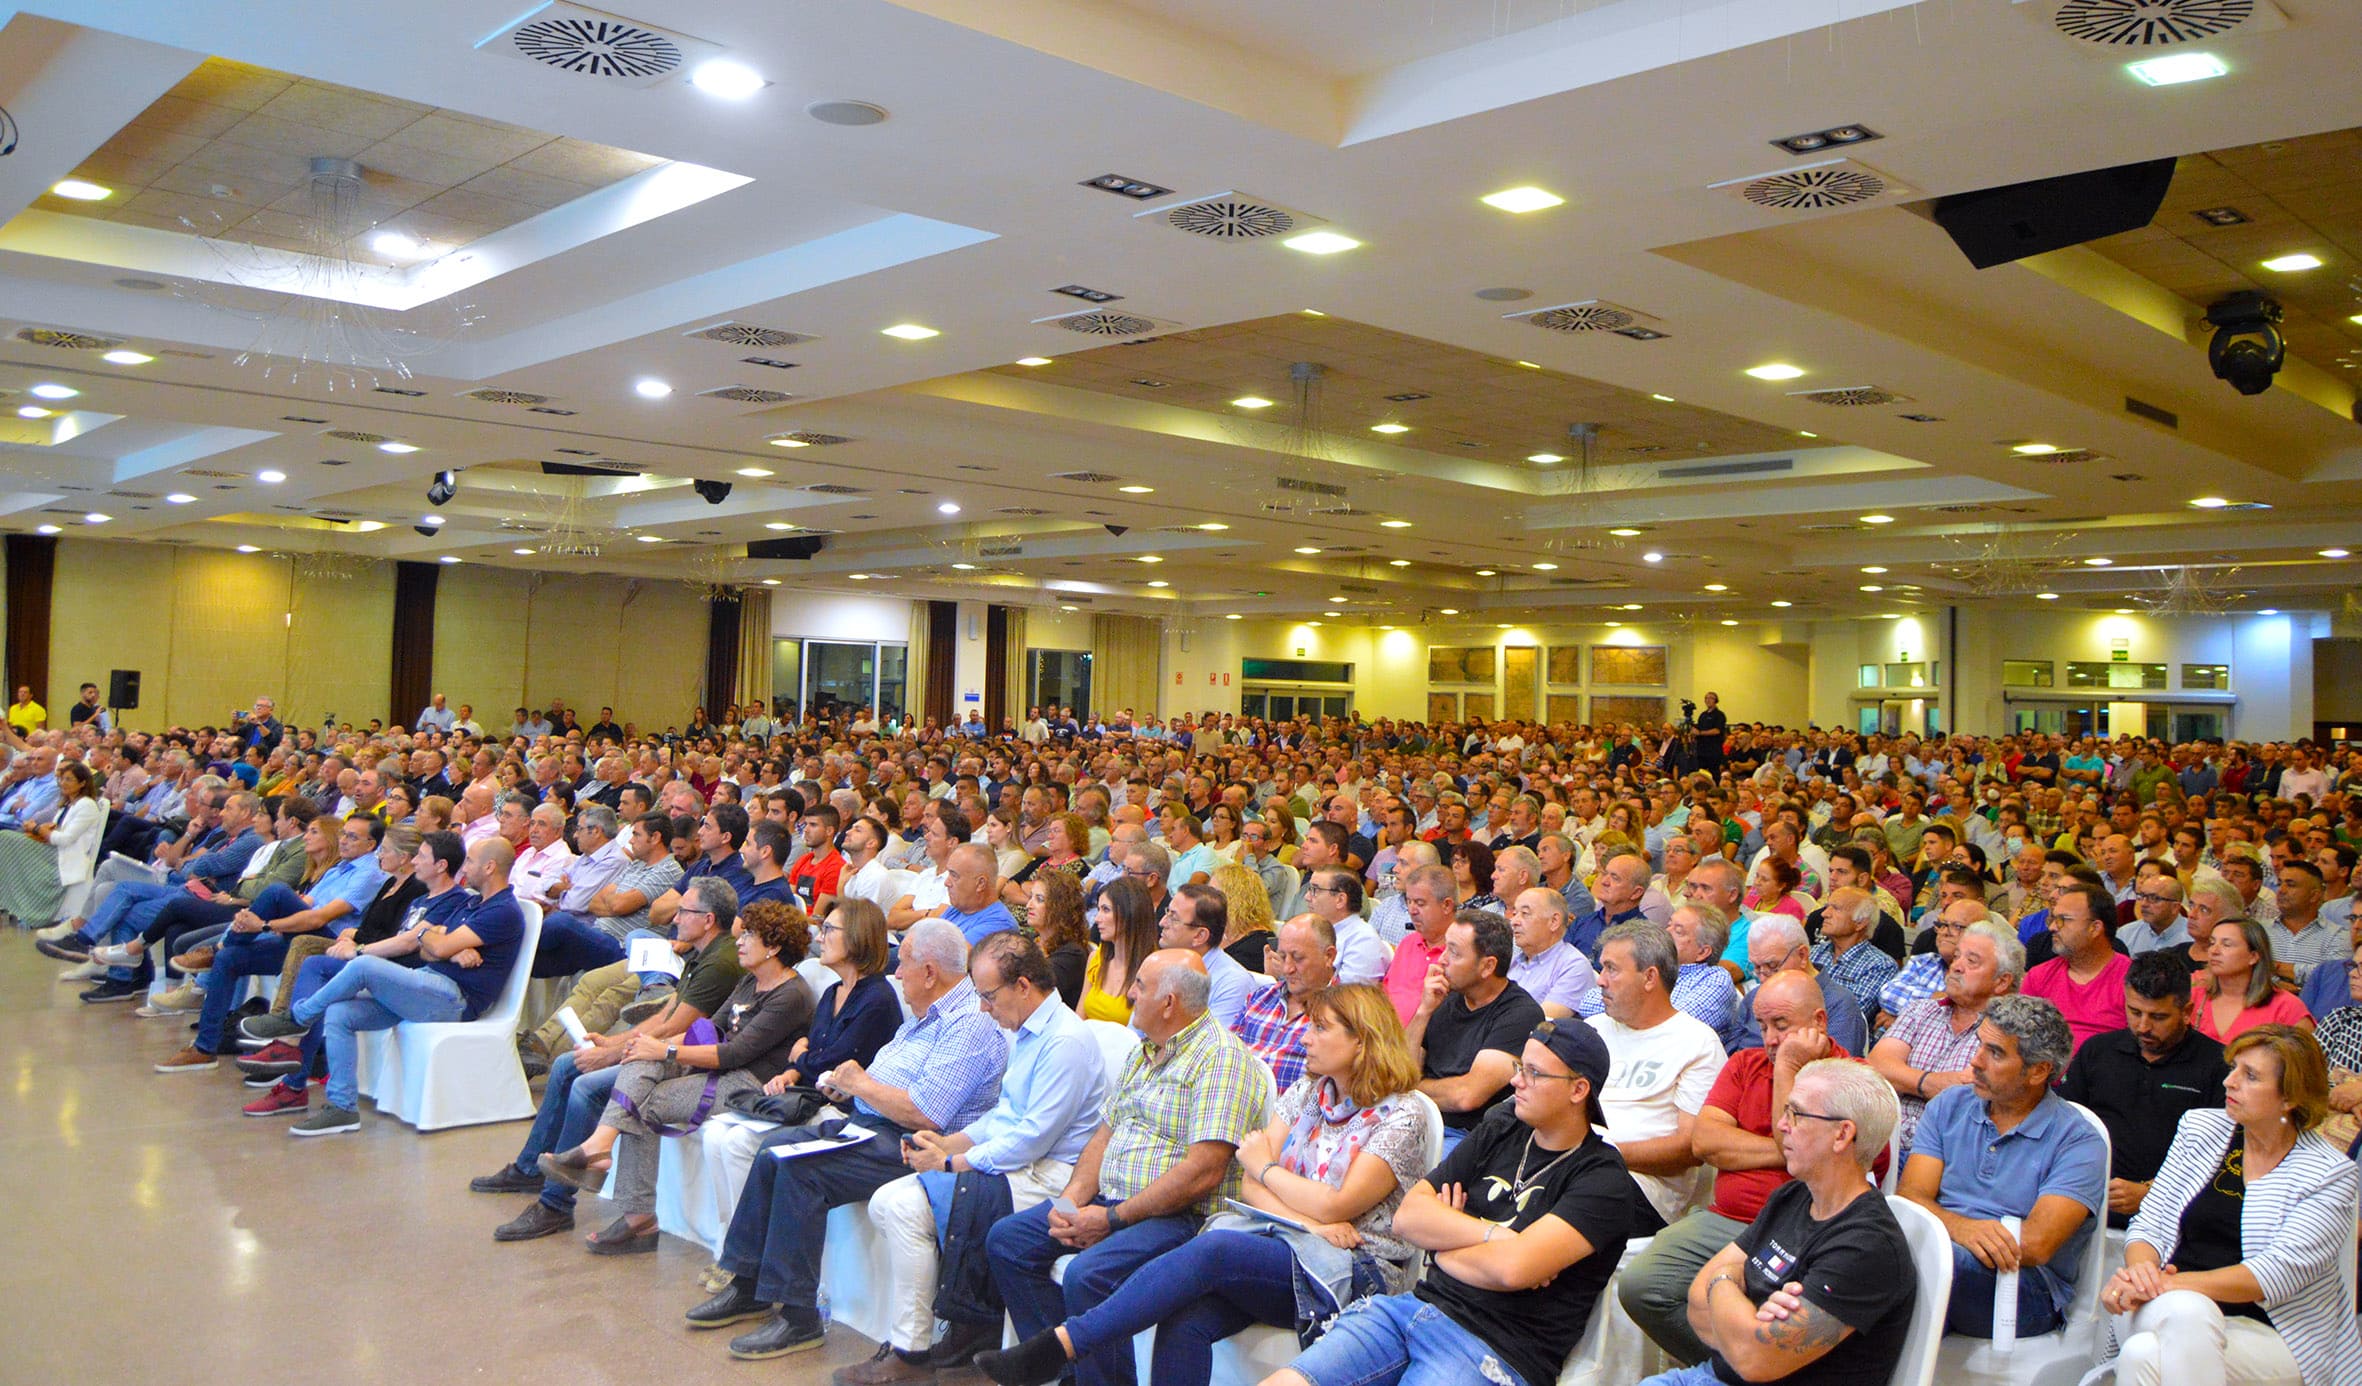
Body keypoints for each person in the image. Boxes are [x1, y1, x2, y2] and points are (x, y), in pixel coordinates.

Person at [980, 983, 1429, 1386]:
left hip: (1355, 1268)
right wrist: (1301, 1217)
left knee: (1214, 1250)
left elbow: (1336, 1204)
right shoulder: (1308, 1093)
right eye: (1308, 1025)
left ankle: (1061, 1345)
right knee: (1185, 1317)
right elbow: (1249, 1188)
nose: (1305, 1038)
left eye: (1321, 1029)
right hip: (1286, 1242)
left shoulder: (1403, 1115)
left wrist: (1267, 1170)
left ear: (1362, 1040)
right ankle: (1060, 1351)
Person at [685, 919, 1008, 1360]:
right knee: (770, 1151)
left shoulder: (968, 1024)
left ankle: (799, 1319)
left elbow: (926, 1113)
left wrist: (862, 1085)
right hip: (869, 1122)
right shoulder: (926, 1015)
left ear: (930, 972)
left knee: (796, 1168)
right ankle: (747, 1285)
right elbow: (887, 1079)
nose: (897, 973)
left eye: (906, 962)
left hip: (914, 1144)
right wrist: (852, 1086)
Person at [1260, 1018, 1632, 1386]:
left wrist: (1442, 1247)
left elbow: (1513, 1270)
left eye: (1534, 1073)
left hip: (1494, 1348)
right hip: (1414, 1308)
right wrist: (1495, 1237)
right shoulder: (1503, 1126)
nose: (1516, 1080)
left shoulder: (1602, 1179)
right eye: (1520, 1066)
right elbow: (1408, 1218)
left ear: (1578, 1089)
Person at [985, 950, 1271, 1386]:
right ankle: (1069, 1375)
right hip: (1110, 1201)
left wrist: (1111, 1219)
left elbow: (1203, 1172)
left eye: (1139, 985)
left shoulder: (1222, 1060)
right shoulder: (1145, 1051)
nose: (1130, 993)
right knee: (1008, 1241)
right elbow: (1104, 1135)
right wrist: (1070, 1202)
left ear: (1170, 1002)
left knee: (1088, 1275)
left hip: (1181, 1218)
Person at [853, 933, 1111, 1384]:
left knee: (899, 1205)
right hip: (1020, 1163)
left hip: (1053, 1176)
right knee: (891, 1201)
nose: (983, 1008)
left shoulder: (1064, 1041)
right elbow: (1002, 1117)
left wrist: (953, 1164)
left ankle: (916, 1350)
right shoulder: (1028, 1031)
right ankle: (951, 1332)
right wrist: (946, 1143)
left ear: (1024, 986)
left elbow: (1031, 1139)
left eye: (988, 996)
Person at [1621, 971, 1871, 1366]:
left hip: (1807, 1230)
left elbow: (1846, 1162)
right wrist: (1788, 1151)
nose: (1770, 1038)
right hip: (1727, 1219)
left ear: (1819, 1023)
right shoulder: (1744, 1064)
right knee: (1642, 1287)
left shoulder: (1854, 1078)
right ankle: (1739, 1368)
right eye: (1762, 1025)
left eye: (1782, 1025)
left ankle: (1758, 1368)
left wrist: (1789, 1068)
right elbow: (1704, 1143)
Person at [537, 899, 816, 1253]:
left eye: (750, 935)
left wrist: (666, 1050)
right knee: (641, 1058)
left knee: (643, 1100)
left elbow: (735, 1053)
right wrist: (649, 1044)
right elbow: (711, 1028)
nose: (740, 941)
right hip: (717, 1065)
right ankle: (601, 1149)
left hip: (748, 1081)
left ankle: (637, 1216)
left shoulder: (791, 994)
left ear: (774, 947)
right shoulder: (750, 981)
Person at [478, 875, 746, 1241]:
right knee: (564, 1065)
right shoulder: (706, 953)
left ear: (709, 919)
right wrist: (612, 1042)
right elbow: (666, 1014)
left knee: (586, 1086)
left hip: (687, 1060)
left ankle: (555, 1204)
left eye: (684, 911)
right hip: (669, 1048)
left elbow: (674, 1028)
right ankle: (530, 1168)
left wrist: (610, 1055)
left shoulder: (721, 962)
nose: (675, 917)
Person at [2098, 1025, 2362, 1386]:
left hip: (2274, 1334)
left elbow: (2275, 1274)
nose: (2229, 1082)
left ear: (2290, 1098)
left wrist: (2164, 1285)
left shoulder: (2329, 1173)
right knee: (2186, 1314)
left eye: (2249, 1076)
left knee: (2143, 1354)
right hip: (2161, 1305)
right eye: (2233, 1067)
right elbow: (2149, 1224)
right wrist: (2144, 1273)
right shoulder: (2200, 1128)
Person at [1632, 1059, 1917, 1386]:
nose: (1781, 1125)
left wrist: (1724, 1282)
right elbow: (1698, 1307)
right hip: (1713, 1375)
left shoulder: (1867, 1246)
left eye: (1796, 1114)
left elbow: (1755, 1360)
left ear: (1842, 1134)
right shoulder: (1793, 1196)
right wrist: (1748, 1315)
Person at [277, 836, 528, 1136]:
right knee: (340, 1014)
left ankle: (297, 1018)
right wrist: (436, 939)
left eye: (471, 861)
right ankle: (342, 1108)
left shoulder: (502, 910)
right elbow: (428, 949)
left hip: (454, 998)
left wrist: (433, 937)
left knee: (363, 964)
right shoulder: (475, 902)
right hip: (429, 987)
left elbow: (437, 943)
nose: (465, 868)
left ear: (489, 866)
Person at [1899, 994, 2106, 1338]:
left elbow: (2036, 1244)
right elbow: (1910, 1198)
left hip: (2024, 1287)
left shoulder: (2079, 1140)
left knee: (1927, 1265)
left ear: (2039, 1071)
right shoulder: (1949, 1105)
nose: (1975, 1061)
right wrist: (1962, 1228)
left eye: (1995, 1053)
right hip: (1943, 1252)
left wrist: (1951, 1236)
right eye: (1980, 1045)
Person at [2058, 949, 2229, 1229]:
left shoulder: (2218, 1066)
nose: (2143, 1026)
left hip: (2177, 1217)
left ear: (2186, 1011)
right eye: (2134, 1012)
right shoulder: (2098, 1052)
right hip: (2088, 1205)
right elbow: (2066, 1125)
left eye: (2158, 1017)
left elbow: (2217, 1154)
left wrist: (2153, 1192)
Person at [1588, 921, 1727, 1234]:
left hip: (1641, 1189)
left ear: (1650, 977)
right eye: (1601, 968)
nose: (1600, 980)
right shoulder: (1593, 1030)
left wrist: (1594, 1154)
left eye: (1611, 969)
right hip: (1570, 1165)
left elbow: (1689, 1148)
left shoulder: (1697, 1043)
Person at [1871, 919, 2022, 1156]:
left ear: (2002, 981)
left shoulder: (2008, 1035)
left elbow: (1972, 1097)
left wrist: (1905, 1078)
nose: (1957, 966)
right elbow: (1877, 1065)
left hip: (1950, 1155)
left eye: (1972, 961)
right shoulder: (1921, 1010)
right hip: (1882, 1141)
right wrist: (1930, 1083)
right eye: (1957, 956)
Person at [1405, 909, 1545, 1148]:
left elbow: (1466, 1096)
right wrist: (1423, 1012)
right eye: (1445, 948)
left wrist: (1409, 1090)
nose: (1442, 960)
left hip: (1466, 1135)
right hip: (1413, 1119)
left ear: (1488, 966)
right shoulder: (1444, 999)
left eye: (1455, 953)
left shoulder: (1520, 1014)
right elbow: (1402, 1069)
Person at [2022, 879, 2132, 1055]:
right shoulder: (2038, 976)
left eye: (2063, 920)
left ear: (2095, 928)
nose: (2052, 928)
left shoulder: (2132, 979)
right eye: (2053, 919)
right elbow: (2021, 1040)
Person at [1232, 914, 1338, 1090]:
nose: (1287, 968)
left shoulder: (1342, 1013)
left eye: (1298, 958)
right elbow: (1225, 1054)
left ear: (1329, 956)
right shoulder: (1260, 998)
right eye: (1282, 956)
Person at [0, 756, 103, 929]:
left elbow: (65, 839)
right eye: (62, 779)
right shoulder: (68, 804)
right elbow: (56, 829)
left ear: (83, 783)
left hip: (63, 854)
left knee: (5, 838)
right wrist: (41, 829)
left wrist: (38, 830)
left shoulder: (86, 805)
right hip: (51, 847)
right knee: (6, 839)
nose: (63, 783)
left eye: (69, 779)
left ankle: (8, 899)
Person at [2194, 916, 2312, 1041]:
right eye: (2212, 943)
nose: (2214, 951)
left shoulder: (2287, 1008)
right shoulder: (2194, 995)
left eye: (2227, 944)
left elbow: (2305, 1057)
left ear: (2254, 956)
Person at [1159, 881, 1256, 1028]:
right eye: (1167, 912)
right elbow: (1137, 1030)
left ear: (1200, 935)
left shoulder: (1233, 983)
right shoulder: (1161, 963)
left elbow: (1212, 1045)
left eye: (1174, 918)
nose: (1162, 922)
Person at [1809, 888, 1900, 1025]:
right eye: (1827, 907)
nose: (1824, 914)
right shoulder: (1813, 952)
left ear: (1860, 923)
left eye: (1836, 908)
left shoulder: (1880, 965)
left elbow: (1847, 1015)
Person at [1506, 884, 1598, 1017]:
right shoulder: (1513, 961)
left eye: (1525, 914)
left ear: (1554, 921)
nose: (1514, 921)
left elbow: (1542, 1021)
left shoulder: (1574, 966)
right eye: (1514, 914)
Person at [1379, 864, 1454, 1023]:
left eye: (1420, 903)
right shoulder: (1408, 943)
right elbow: (1386, 994)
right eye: (1409, 901)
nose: (1412, 910)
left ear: (1446, 905)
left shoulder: (1460, 951)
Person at [1081, 876, 1159, 1024]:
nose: (1097, 918)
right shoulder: (1096, 958)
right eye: (1099, 909)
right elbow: (1080, 1017)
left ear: (1130, 913)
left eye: (1106, 910)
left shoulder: (1154, 969)